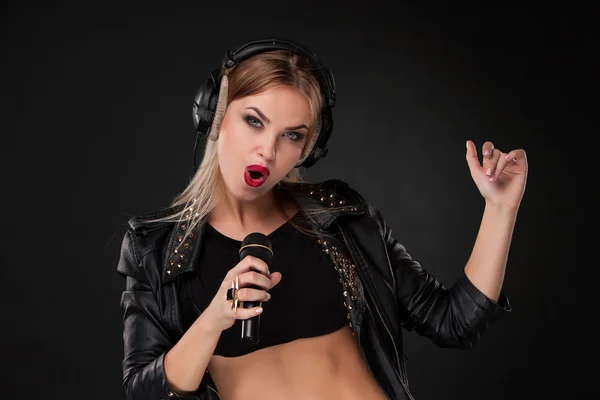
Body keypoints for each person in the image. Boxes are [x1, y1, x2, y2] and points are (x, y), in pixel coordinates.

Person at [116, 37, 528, 400]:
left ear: (307, 149)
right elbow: (144, 391)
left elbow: (451, 321)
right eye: (254, 121)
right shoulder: (155, 248)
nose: (267, 151)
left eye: (291, 135)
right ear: (215, 115)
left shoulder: (341, 217)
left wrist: (500, 209)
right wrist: (214, 319)